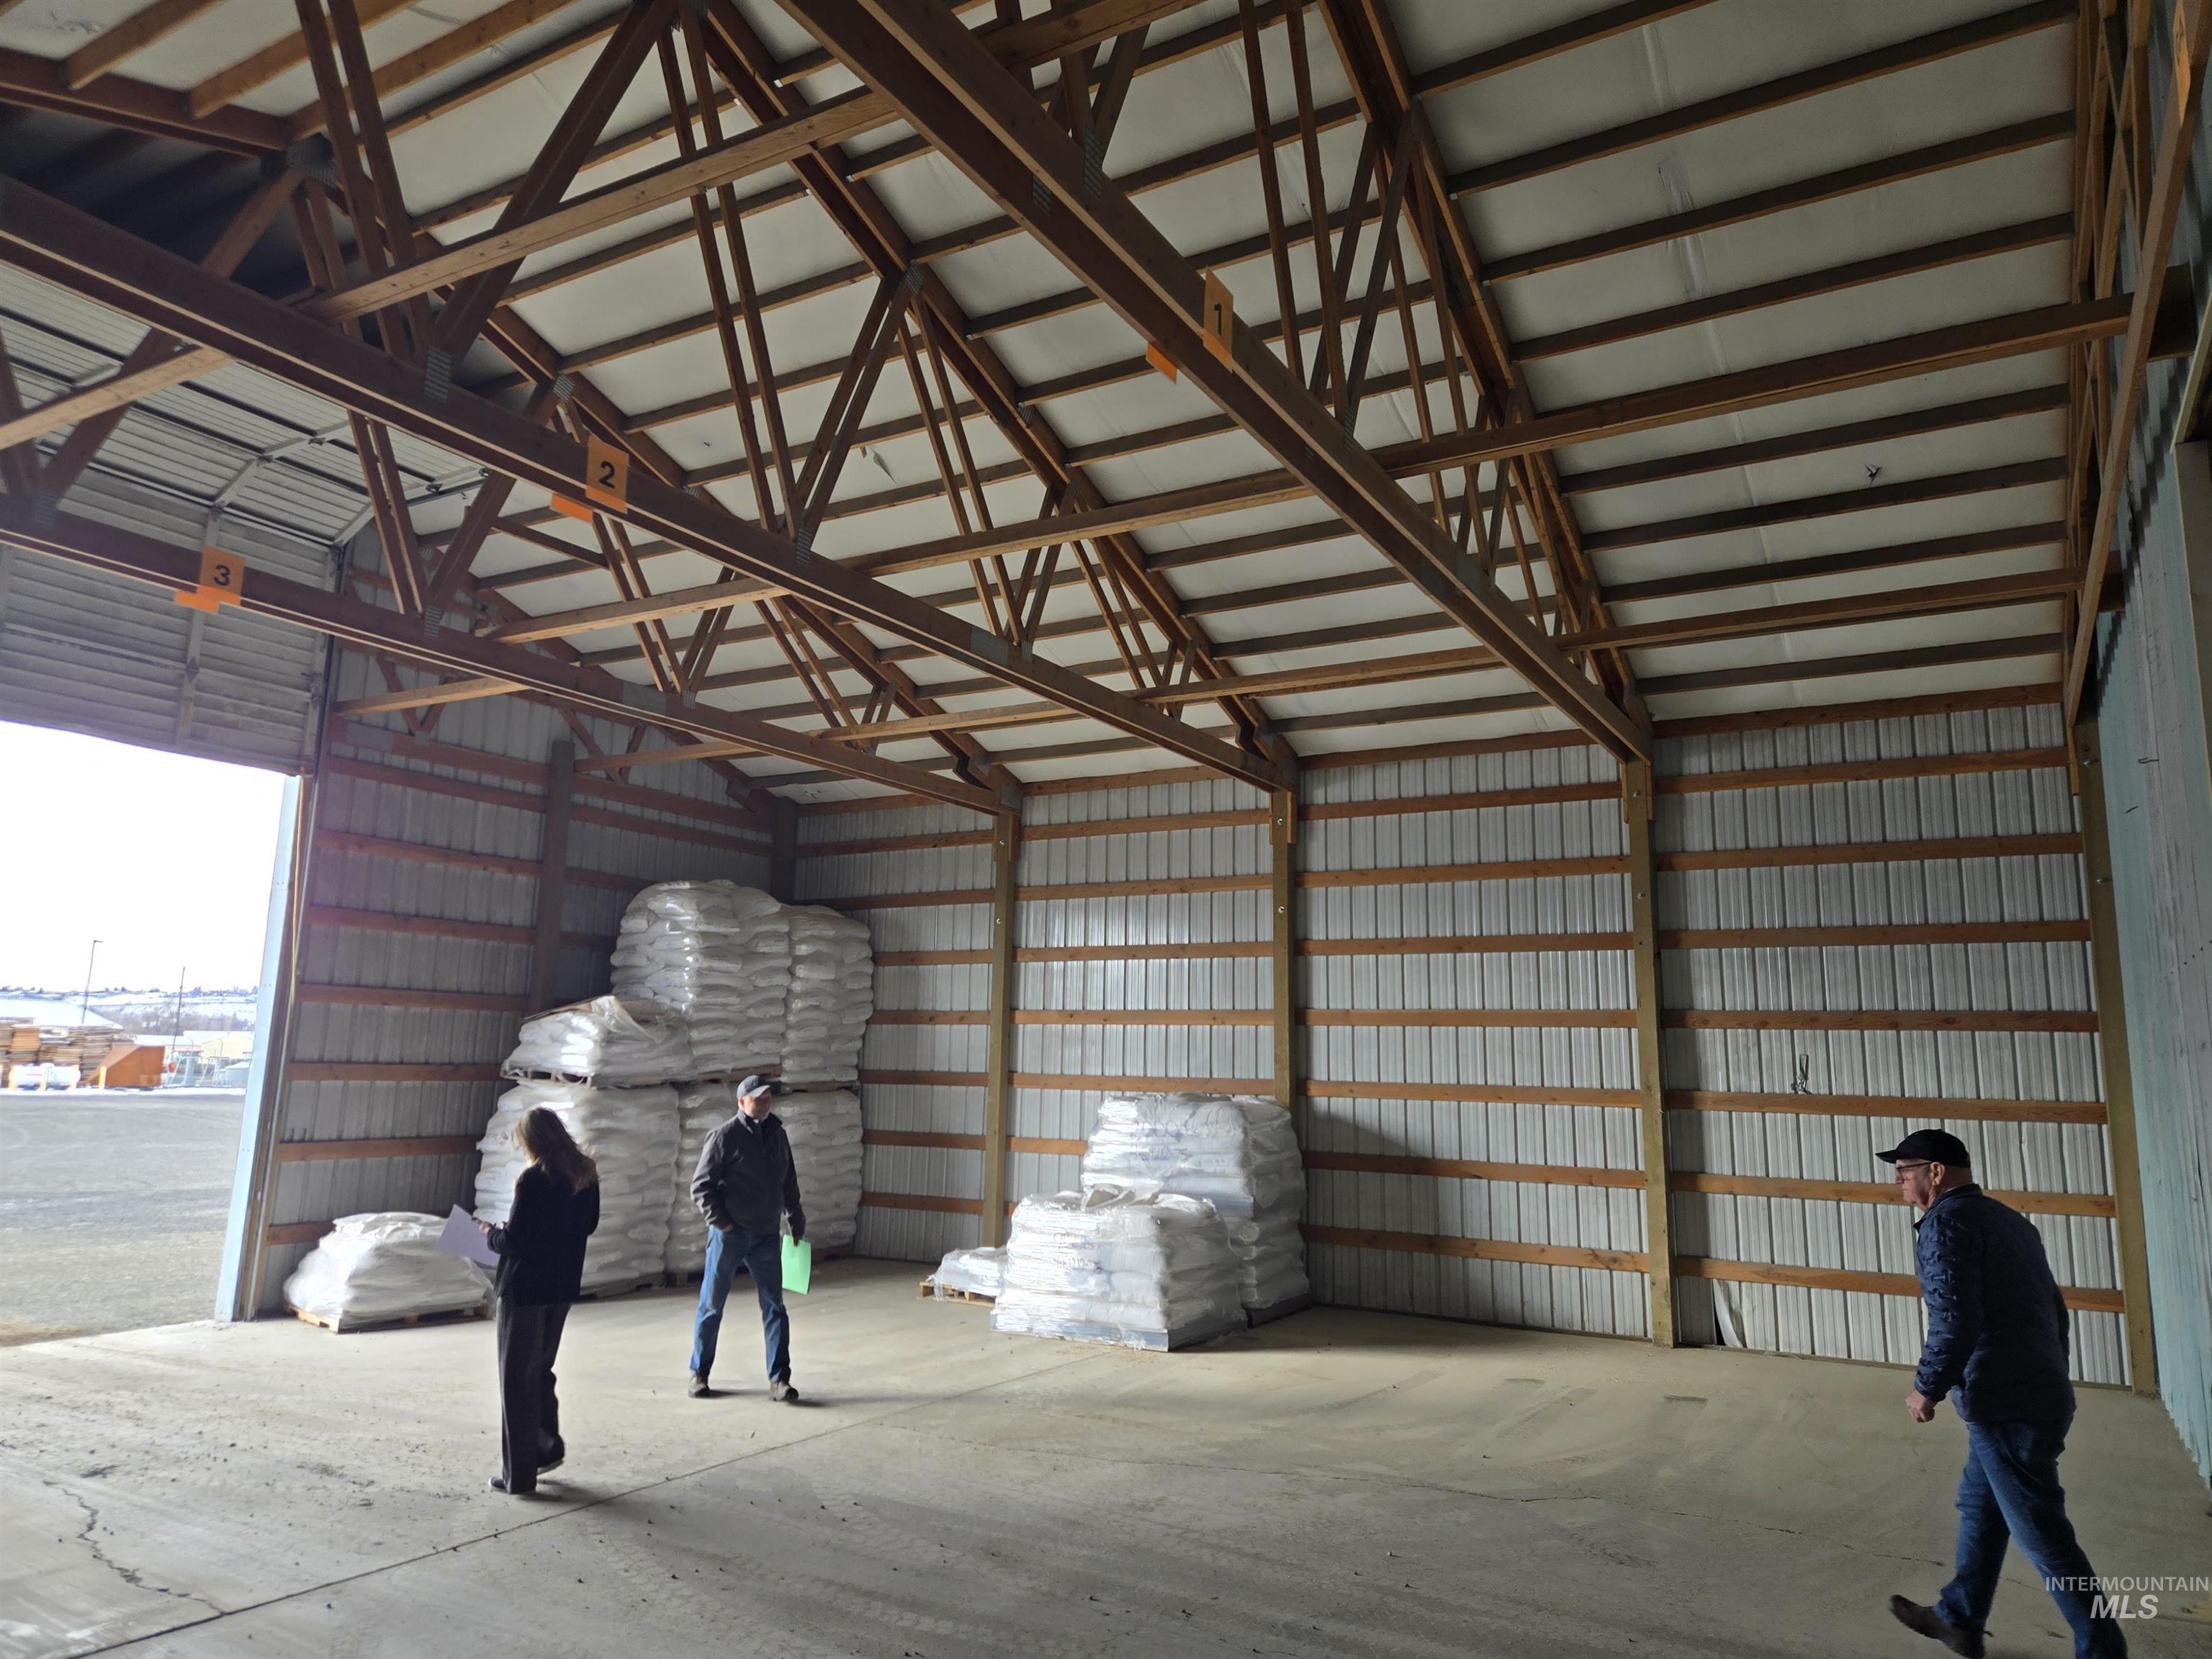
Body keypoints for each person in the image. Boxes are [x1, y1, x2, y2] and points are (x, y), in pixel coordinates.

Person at [1881, 1129, 2124, 1659]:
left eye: (1903, 1170)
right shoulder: (2009, 1220)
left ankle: (2104, 1650)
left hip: (2005, 1402)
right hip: (2034, 1390)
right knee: (1980, 1504)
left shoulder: (1946, 1224)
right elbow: (2053, 1311)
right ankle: (1959, 1618)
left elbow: (1954, 1318)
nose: (1897, 1181)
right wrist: (2048, 1378)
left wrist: (1927, 1387)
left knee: (2043, 1536)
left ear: (1935, 1172)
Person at [479, 1107, 599, 1497]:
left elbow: (515, 1241)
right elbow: (589, 1225)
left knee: (517, 1381)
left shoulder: (533, 1179)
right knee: (541, 1370)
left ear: (532, 1141)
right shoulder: (586, 1173)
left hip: (525, 1291)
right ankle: (546, 1449)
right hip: (561, 1289)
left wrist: (489, 1233)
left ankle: (519, 1477)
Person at [688, 1074, 805, 1402]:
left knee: (775, 1308)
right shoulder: (724, 1137)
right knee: (712, 1305)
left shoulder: (778, 1135)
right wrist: (722, 1223)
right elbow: (701, 1187)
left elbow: (788, 1180)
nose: (765, 1102)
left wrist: (795, 1217)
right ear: (741, 1102)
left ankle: (780, 1380)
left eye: (768, 1097)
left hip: (767, 1236)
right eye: (757, 1098)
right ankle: (699, 1374)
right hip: (731, 1236)